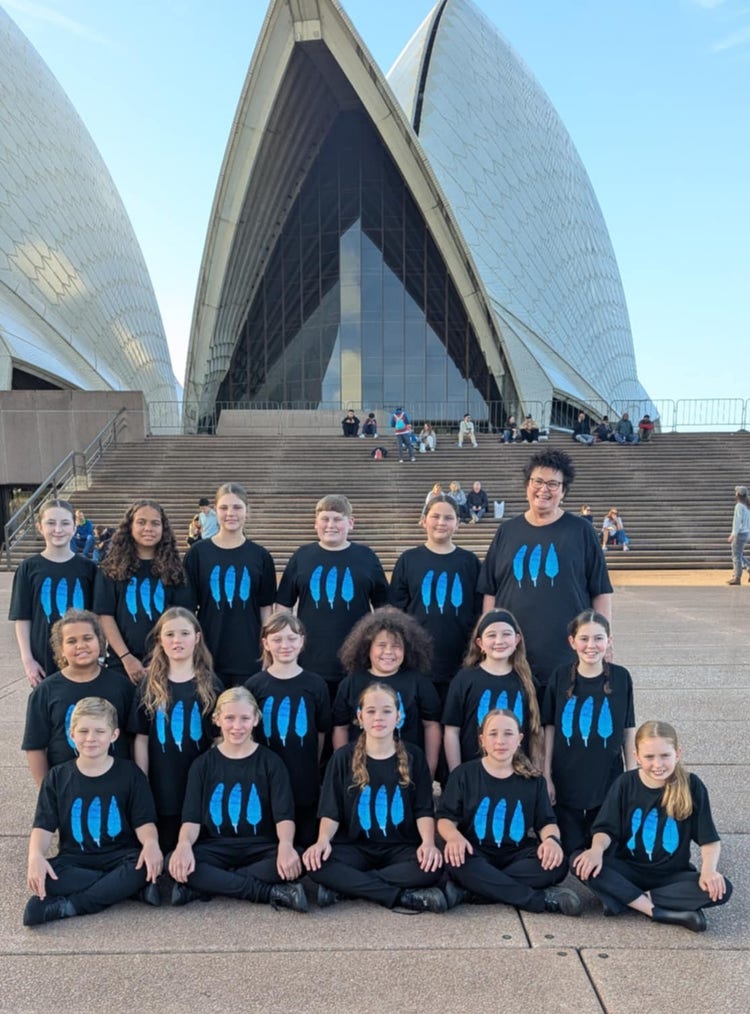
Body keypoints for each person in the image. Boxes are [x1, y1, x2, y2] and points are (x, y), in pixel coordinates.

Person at [572, 721, 732, 932]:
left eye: (665, 755)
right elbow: (606, 829)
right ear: (637, 756)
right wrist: (596, 850)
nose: (658, 764)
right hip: (628, 869)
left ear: (678, 753)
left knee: (722, 889)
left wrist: (709, 871)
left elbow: (709, 840)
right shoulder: (625, 783)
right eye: (649, 757)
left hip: (671, 875)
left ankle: (626, 899)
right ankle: (658, 911)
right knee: (578, 860)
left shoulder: (692, 785)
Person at [302, 683, 446, 912]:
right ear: (360, 717)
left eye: (387, 711)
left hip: (400, 847)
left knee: (433, 867)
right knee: (316, 864)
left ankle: (347, 886)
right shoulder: (342, 757)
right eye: (371, 711)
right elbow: (331, 810)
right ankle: (401, 896)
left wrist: (428, 843)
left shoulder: (414, 756)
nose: (378, 717)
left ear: (398, 716)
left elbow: (423, 809)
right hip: (354, 847)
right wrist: (322, 841)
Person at [478, 448, 613, 691]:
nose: (544, 489)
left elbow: (600, 591)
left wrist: (603, 642)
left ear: (563, 491)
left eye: (553, 484)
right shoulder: (507, 531)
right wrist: (489, 637)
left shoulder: (581, 531)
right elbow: (490, 590)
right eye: (537, 481)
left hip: (567, 654)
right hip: (511, 653)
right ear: (527, 485)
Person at [23, 696, 162, 925]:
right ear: (71, 734)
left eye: (99, 731)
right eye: (83, 731)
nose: (91, 738)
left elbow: (144, 821)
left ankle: (69, 906)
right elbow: (43, 826)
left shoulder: (130, 773)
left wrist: (151, 843)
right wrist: (35, 856)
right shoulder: (57, 777)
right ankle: (124, 888)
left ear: (114, 735)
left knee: (144, 865)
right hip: (75, 860)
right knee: (46, 877)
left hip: (120, 856)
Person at [168, 687, 308, 911]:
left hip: (261, 847)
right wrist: (183, 845)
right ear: (217, 719)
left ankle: (210, 885)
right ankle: (269, 892)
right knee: (172, 861)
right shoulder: (203, 764)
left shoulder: (271, 762)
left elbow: (284, 816)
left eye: (244, 718)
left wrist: (286, 845)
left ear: (256, 720)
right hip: (216, 847)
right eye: (230, 718)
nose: (237, 726)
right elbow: (191, 819)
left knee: (299, 859)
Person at [436, 709, 581, 916]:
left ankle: (471, 890)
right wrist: (453, 837)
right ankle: (537, 900)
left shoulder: (534, 780)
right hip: (475, 852)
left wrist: (551, 841)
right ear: (482, 740)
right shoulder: (464, 774)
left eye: (508, 734)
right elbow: (445, 818)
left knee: (557, 865)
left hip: (516, 854)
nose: (500, 741)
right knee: (455, 861)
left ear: (519, 739)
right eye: (493, 734)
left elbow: (546, 822)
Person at [275, 494, 389, 697]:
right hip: (309, 659)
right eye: (325, 519)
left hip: (357, 660)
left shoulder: (366, 557)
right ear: (315, 523)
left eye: (337, 519)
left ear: (350, 523)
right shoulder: (302, 556)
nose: (331, 525)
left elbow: (384, 609)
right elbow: (283, 606)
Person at [542, 610, 636, 853]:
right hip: (567, 777)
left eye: (598, 638)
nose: (591, 645)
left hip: (606, 777)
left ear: (609, 640)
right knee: (571, 850)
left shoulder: (621, 678)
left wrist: (632, 777)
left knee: (605, 849)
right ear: (572, 642)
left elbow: (628, 729)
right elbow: (549, 727)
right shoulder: (560, 676)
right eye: (584, 639)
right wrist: (546, 774)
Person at [130, 608, 222, 853]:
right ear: (160, 639)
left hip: (199, 780)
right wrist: (142, 779)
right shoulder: (149, 685)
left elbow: (218, 739)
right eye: (169, 634)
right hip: (162, 781)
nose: (177, 640)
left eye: (184, 633)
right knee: (166, 845)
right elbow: (141, 738)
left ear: (197, 637)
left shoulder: (211, 684)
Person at [22, 610, 135, 788]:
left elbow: (135, 739)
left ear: (100, 641)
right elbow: (35, 747)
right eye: (71, 641)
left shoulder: (122, 686)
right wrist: (47, 791)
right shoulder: (45, 691)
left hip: (116, 786)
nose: (81, 645)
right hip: (67, 787)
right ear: (61, 649)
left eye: (87, 638)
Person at [246, 613, 331, 847]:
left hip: (304, 774)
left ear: (302, 641)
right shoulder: (255, 685)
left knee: (305, 839)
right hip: (265, 775)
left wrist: (311, 763)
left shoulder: (316, 684)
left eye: (292, 638)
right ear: (266, 643)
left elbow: (321, 732)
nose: (285, 645)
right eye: (277, 639)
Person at [389, 493, 482, 700]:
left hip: (460, 659)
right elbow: (396, 611)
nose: (441, 522)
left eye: (448, 518)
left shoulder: (469, 562)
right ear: (424, 521)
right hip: (417, 660)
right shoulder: (408, 560)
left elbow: (478, 610)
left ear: (458, 523)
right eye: (435, 516)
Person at [184, 482, 277, 688]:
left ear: (246, 510)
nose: (230, 514)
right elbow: (187, 609)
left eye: (237, 507)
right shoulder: (197, 554)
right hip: (208, 652)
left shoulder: (260, 556)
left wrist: (268, 649)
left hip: (249, 652)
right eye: (224, 508)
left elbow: (265, 608)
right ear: (215, 511)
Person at [332, 608, 442, 777]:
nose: (389, 652)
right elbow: (341, 728)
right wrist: (345, 769)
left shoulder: (418, 682)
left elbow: (431, 725)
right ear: (367, 647)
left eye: (396, 646)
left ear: (408, 649)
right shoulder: (351, 683)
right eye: (381, 645)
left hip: (407, 771)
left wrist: (430, 769)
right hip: (361, 770)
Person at [94, 499, 193, 684]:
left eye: (155, 523)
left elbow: (182, 618)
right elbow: (105, 615)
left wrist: (161, 660)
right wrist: (126, 658)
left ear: (163, 529)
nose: (148, 528)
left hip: (167, 663)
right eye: (141, 522)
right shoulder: (110, 568)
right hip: (121, 664)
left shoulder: (176, 570)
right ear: (130, 526)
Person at [9, 498, 97, 686]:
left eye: (65, 523)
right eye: (51, 523)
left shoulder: (89, 568)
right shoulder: (28, 568)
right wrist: (28, 660)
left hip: (82, 656)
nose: (58, 529)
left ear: (74, 527)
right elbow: (22, 618)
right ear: (40, 527)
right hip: (43, 660)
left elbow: (97, 616)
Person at [443, 609, 542, 772]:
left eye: (506, 634)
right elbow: (452, 730)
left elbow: (536, 732)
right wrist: (456, 773)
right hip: (474, 775)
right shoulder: (464, 679)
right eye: (491, 635)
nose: (499, 641)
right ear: (480, 643)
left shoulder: (527, 681)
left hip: (517, 774)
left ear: (517, 640)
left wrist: (537, 772)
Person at [726, 485, 750, 585]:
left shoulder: (739, 506)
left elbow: (737, 521)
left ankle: (737, 577)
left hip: (740, 533)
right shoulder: (747, 507)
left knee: (736, 556)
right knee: (738, 554)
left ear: (739, 494)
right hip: (746, 533)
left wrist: (733, 534)